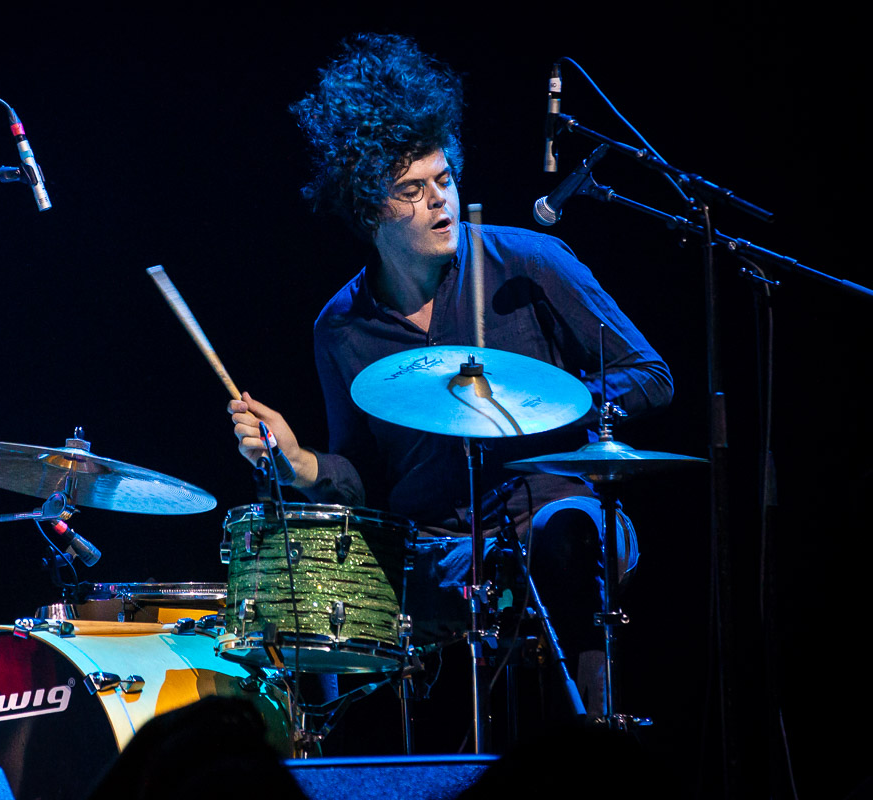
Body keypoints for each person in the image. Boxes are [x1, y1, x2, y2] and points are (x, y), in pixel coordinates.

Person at [227, 33, 672, 732]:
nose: (440, 202)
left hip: (550, 511)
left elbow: (651, 374)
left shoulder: (531, 262)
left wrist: (562, 406)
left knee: (570, 542)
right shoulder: (340, 328)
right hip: (438, 550)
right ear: (370, 208)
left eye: (445, 180)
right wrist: (300, 462)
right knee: (317, 581)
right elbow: (367, 471)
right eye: (412, 191)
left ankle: (595, 742)